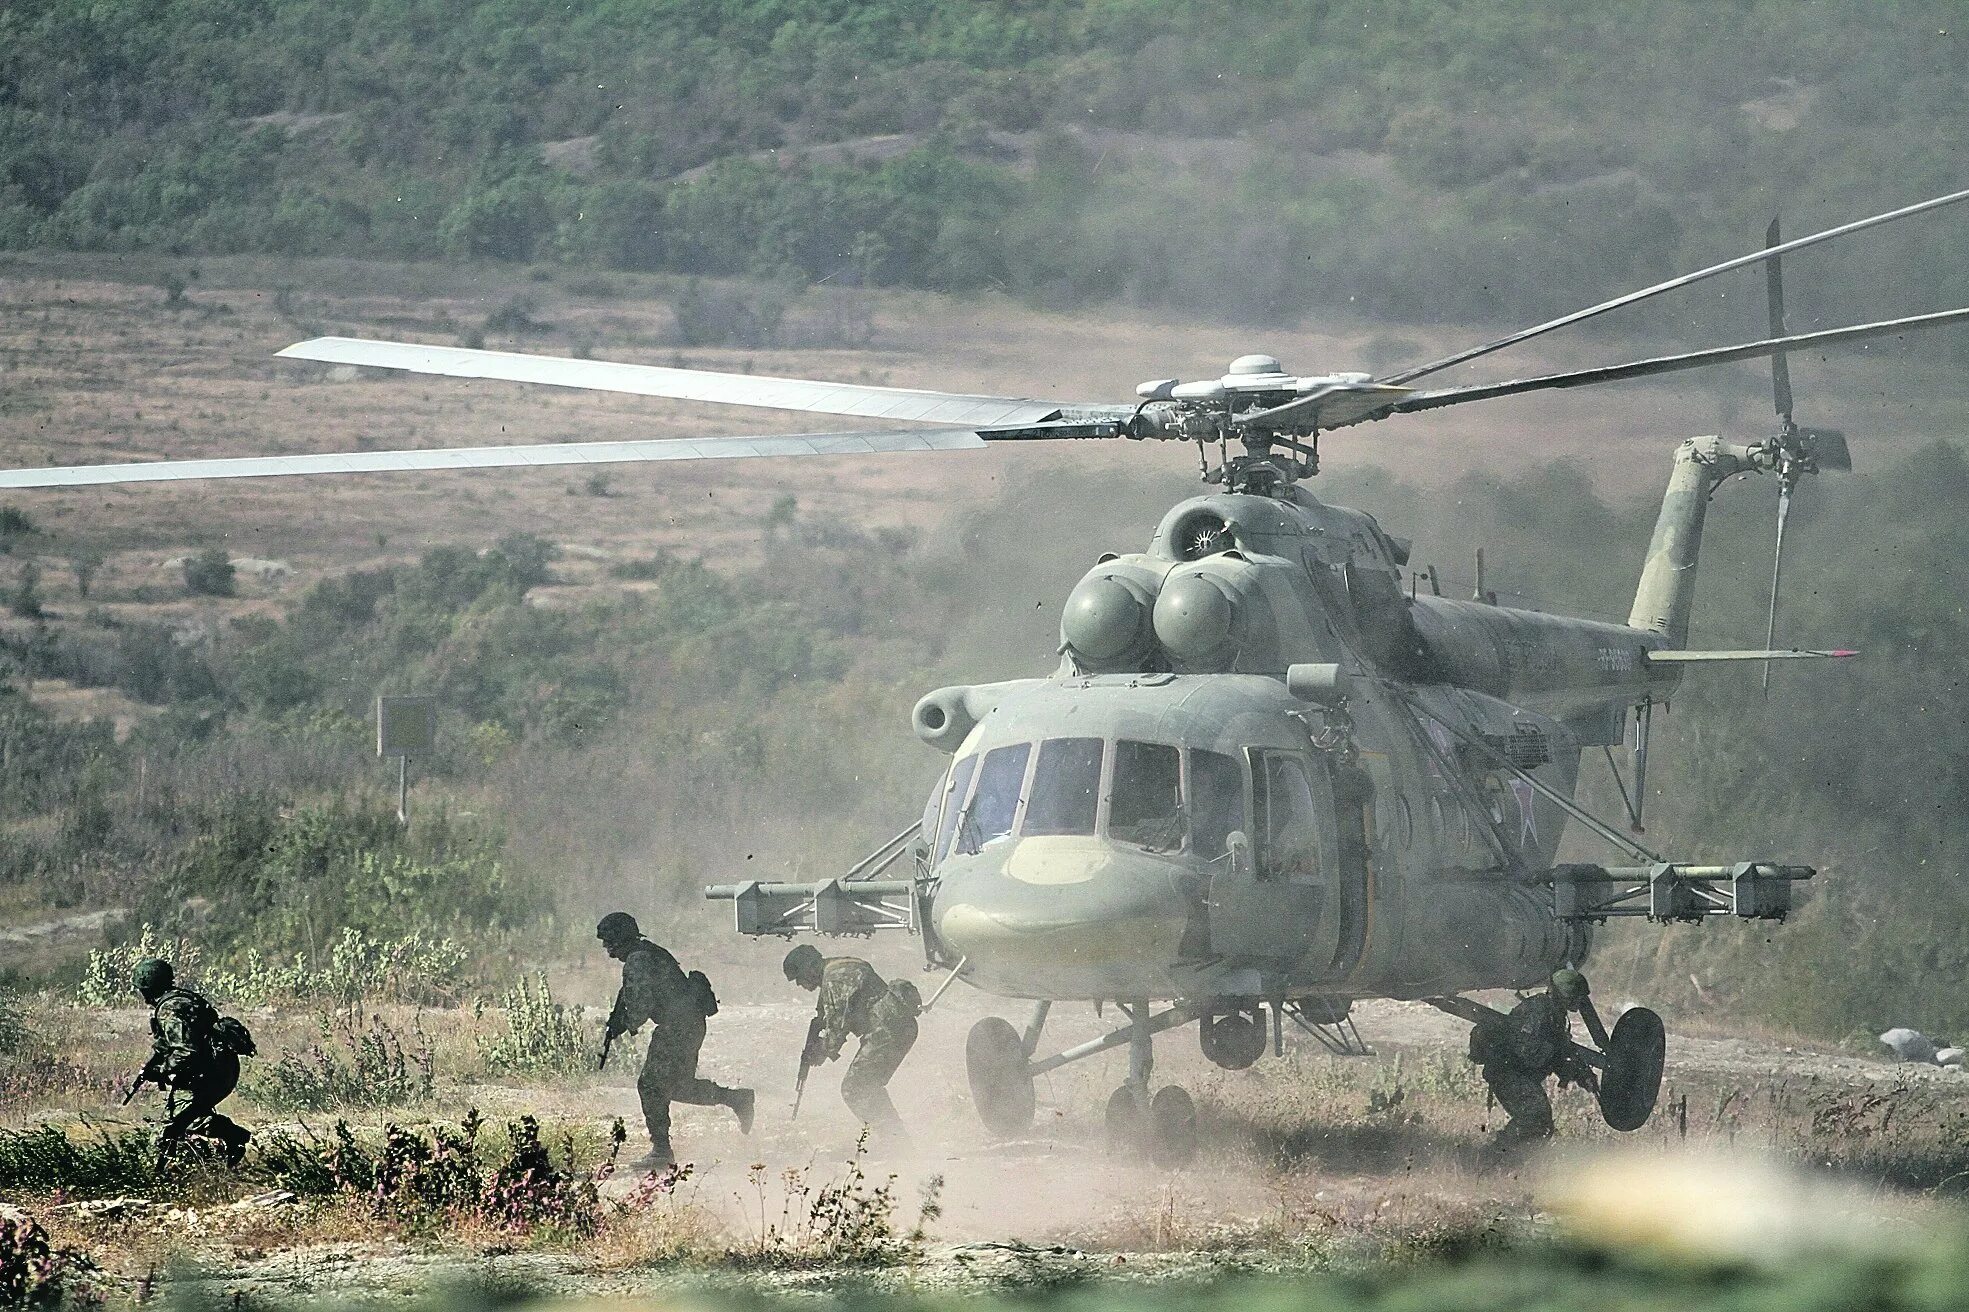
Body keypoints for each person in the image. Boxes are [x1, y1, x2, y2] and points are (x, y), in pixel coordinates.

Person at [597, 912, 753, 1171]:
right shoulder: (648, 953)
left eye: (610, 943)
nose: (608, 950)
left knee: (651, 1086)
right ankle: (737, 1099)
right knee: (678, 1086)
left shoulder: (639, 960)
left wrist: (624, 1024)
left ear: (622, 939)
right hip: (688, 1024)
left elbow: (639, 1005)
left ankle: (661, 1151)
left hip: (677, 1027)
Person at [783, 944, 919, 1146]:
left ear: (809, 968)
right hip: (894, 1028)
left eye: (799, 978)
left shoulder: (834, 978)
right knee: (865, 1085)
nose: (800, 985)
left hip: (888, 1031)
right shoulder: (839, 967)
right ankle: (896, 1140)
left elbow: (837, 1026)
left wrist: (821, 1051)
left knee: (855, 1088)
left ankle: (897, 1143)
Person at [132, 957, 252, 1166]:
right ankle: (211, 1155)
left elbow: (187, 1052)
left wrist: (160, 1070)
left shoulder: (170, 1010)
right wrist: (155, 1063)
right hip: (222, 1068)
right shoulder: (182, 999)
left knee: (166, 1129)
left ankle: (163, 1176)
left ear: (147, 988)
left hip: (209, 1075)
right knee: (184, 1118)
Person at [1468, 967, 1596, 1147]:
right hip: (1508, 1072)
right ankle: (1495, 1156)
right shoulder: (1538, 1010)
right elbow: (1526, 1048)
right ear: (1563, 994)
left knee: (1542, 1125)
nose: (1579, 1001)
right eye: (1576, 996)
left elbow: (1558, 1051)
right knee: (1534, 1117)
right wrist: (1558, 1059)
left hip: (1518, 1073)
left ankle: (1518, 1159)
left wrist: (1580, 1074)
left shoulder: (1556, 1013)